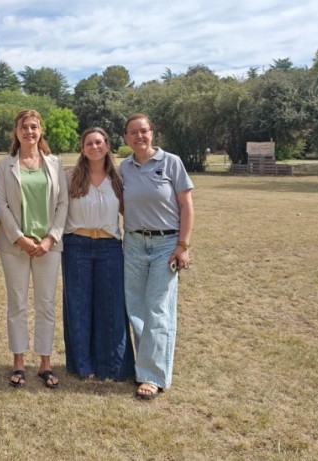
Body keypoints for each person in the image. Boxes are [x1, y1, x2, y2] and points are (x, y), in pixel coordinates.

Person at [119, 113, 194, 400]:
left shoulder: (171, 162)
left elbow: (186, 205)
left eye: (144, 131)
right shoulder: (124, 168)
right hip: (135, 244)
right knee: (136, 309)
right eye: (133, 132)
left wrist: (183, 245)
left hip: (166, 244)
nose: (139, 136)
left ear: (152, 133)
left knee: (158, 309)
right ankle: (145, 366)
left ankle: (152, 376)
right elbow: (124, 204)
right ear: (126, 137)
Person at [0, 109, 68, 389]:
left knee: (46, 305)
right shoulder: (5, 166)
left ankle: (45, 363)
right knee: (17, 304)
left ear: (41, 131)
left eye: (34, 127)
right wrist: (19, 237)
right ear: (16, 131)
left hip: (48, 247)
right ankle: (19, 363)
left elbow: (63, 204)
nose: (29, 132)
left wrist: (50, 238)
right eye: (24, 127)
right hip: (15, 246)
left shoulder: (55, 164)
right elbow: (1, 204)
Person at [61, 128, 135, 382]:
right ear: (82, 148)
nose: (94, 147)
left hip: (109, 248)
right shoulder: (70, 176)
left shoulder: (119, 178)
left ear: (107, 146)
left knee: (112, 307)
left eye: (99, 142)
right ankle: (83, 365)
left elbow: (131, 210)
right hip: (76, 246)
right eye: (89, 143)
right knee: (79, 307)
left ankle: (112, 366)